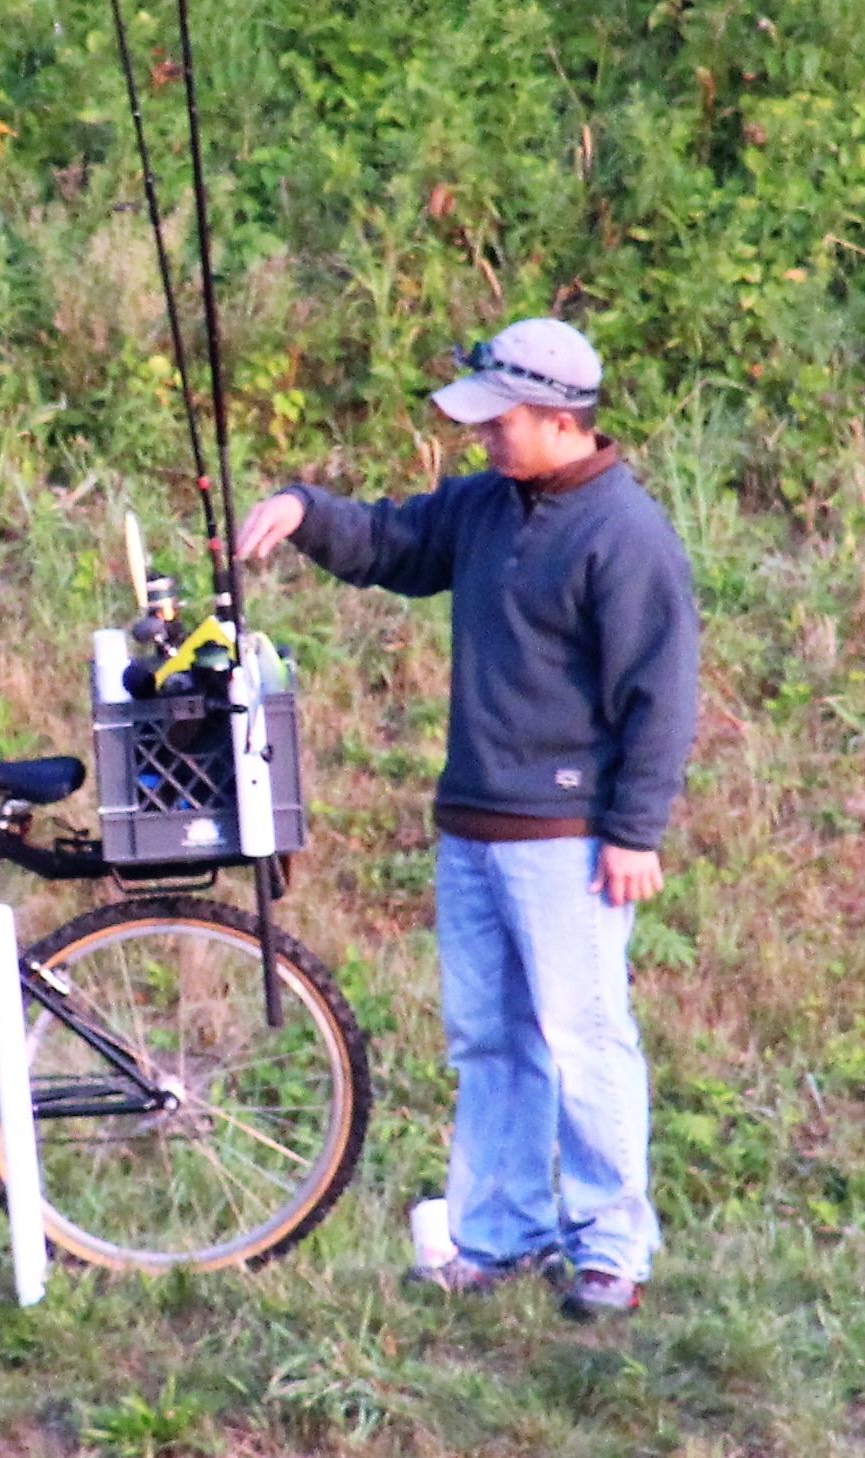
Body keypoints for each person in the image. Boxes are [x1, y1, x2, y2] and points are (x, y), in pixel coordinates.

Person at [236, 317, 699, 1320]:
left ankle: (612, 1252)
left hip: (570, 843)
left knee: (584, 1041)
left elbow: (662, 695)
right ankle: (498, 1236)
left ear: (559, 420)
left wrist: (635, 832)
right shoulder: (489, 506)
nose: (483, 440)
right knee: (491, 1042)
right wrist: (301, 509)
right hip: (472, 832)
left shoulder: (626, 536)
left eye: (500, 424)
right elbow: (394, 541)